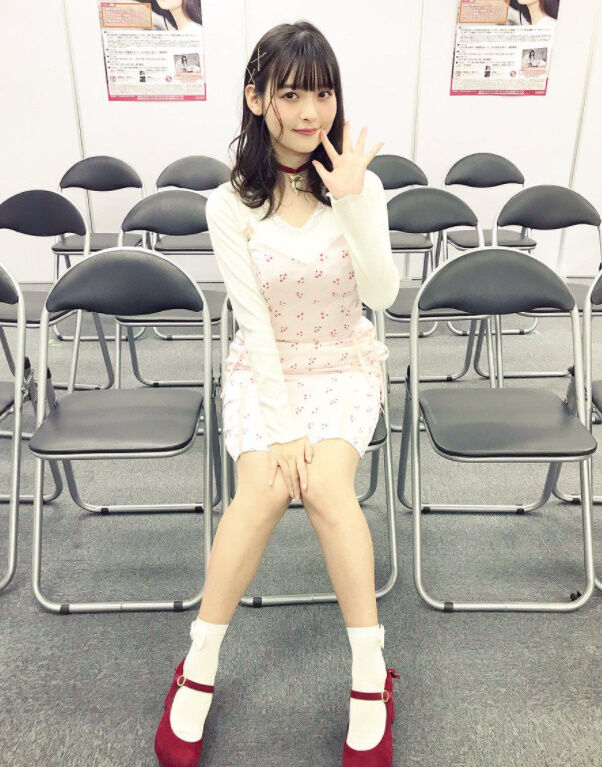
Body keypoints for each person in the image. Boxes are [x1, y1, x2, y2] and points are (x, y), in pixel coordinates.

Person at [154, 20, 401, 767]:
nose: (310, 112)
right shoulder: (229, 204)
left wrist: (352, 203)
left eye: (323, 93)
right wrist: (284, 425)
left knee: (326, 485)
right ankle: (198, 665)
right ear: (256, 97)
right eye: (291, 94)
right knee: (262, 487)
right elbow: (253, 323)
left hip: (343, 360)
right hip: (266, 368)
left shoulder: (362, 185)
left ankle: (370, 677)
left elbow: (382, 295)